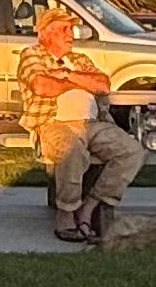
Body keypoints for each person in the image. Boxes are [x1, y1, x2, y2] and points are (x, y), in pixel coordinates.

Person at [12, 12, 146, 241]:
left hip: (94, 124)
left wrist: (66, 74)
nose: (70, 34)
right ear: (45, 33)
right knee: (72, 150)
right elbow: (42, 86)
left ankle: (90, 206)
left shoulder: (79, 59)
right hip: (54, 123)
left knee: (133, 152)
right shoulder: (32, 55)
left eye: (70, 29)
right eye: (63, 29)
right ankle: (67, 212)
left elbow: (103, 85)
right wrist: (80, 82)